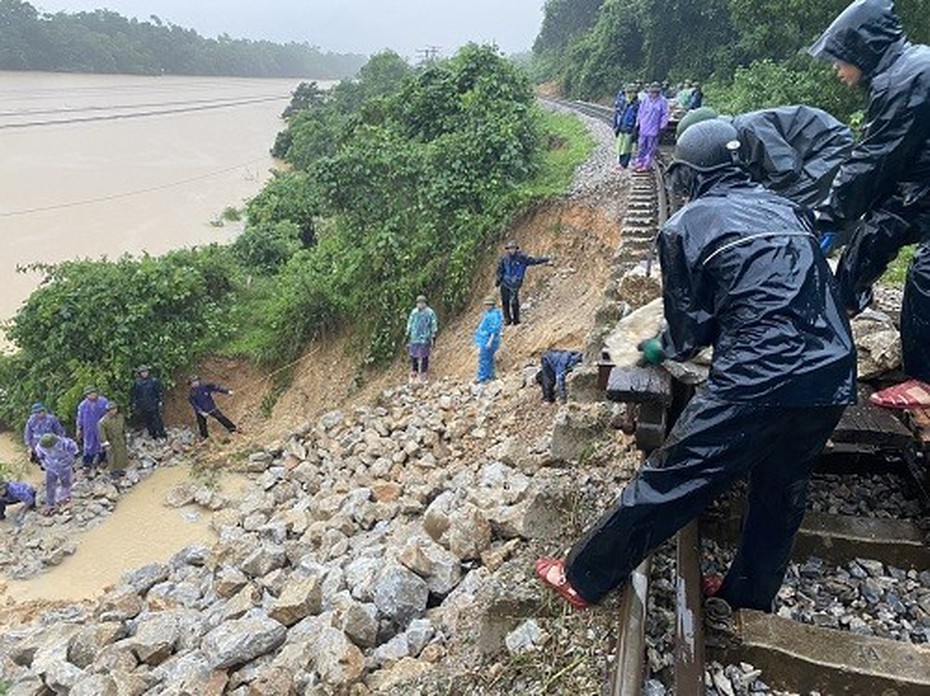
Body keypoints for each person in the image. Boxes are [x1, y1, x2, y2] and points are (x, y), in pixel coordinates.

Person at [536, 120, 856, 612]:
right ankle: (749, 595)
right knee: (782, 488)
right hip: (832, 371)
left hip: (758, 376)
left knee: (676, 475)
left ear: (688, 174)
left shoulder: (684, 226)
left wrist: (655, 349)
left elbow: (688, 333)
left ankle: (583, 575)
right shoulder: (788, 207)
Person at [809, 0, 930, 409]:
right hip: (923, 190)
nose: (837, 71)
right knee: (879, 235)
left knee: (927, 275)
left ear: (862, 50)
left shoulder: (907, 78)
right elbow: (892, 203)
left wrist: (825, 217)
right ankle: (838, 312)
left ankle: (926, 387)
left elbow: (872, 161)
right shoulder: (907, 70)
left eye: (840, 60)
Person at [675, 105, 854, 210]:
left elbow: (786, 170)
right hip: (808, 155)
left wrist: (751, 197)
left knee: (784, 204)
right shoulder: (734, 137)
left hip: (830, 147)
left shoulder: (748, 128)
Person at [495, 241, 552, 326]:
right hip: (505, 282)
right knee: (505, 301)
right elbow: (500, 270)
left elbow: (533, 261)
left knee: (514, 301)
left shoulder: (521, 257)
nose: (512, 250)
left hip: (515, 283)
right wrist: (498, 280)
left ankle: (516, 320)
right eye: (510, 249)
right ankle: (507, 319)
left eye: (513, 248)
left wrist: (545, 259)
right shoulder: (504, 258)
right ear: (508, 250)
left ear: (516, 249)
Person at [35, 433, 79, 515]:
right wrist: (43, 463)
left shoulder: (66, 443)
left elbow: (74, 450)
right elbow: (40, 456)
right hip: (50, 467)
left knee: (66, 483)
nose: (48, 449)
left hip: (64, 467)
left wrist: (70, 458)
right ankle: (50, 504)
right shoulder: (40, 446)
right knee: (50, 485)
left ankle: (64, 499)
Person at [632, 83, 669, 171]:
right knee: (641, 146)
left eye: (655, 92)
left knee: (651, 148)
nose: (653, 94)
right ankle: (639, 163)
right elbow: (640, 112)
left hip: (654, 128)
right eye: (652, 92)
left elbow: (665, 114)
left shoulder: (662, 101)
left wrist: (662, 126)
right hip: (644, 127)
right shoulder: (645, 100)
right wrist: (637, 123)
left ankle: (646, 164)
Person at [406, 295, 439, 384]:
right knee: (413, 355)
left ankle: (424, 373)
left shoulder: (429, 313)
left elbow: (433, 323)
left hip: (425, 338)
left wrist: (433, 334)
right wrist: (408, 332)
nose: (420, 305)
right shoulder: (414, 312)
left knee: (424, 356)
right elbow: (410, 322)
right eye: (418, 303)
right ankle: (414, 371)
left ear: (425, 303)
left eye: (422, 303)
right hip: (414, 337)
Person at [75, 386, 109, 474]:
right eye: (89, 394)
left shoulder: (103, 401)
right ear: (86, 395)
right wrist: (79, 429)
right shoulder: (82, 405)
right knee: (88, 446)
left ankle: (103, 460)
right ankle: (87, 465)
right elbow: (80, 418)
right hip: (88, 429)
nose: (92, 395)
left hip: (101, 428)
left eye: (93, 393)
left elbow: (108, 414)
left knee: (102, 444)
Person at [132, 365, 167, 439]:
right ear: (140, 373)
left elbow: (159, 392)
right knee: (148, 420)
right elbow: (135, 394)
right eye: (142, 372)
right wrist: (135, 404)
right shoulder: (137, 383)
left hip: (153, 404)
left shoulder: (154, 381)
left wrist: (160, 402)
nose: (144, 373)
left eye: (145, 371)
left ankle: (161, 434)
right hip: (143, 405)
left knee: (157, 420)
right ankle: (153, 434)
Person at [475, 297, 504, 384]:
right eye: (486, 305)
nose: (486, 306)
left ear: (492, 305)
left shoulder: (494, 315)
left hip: (488, 340)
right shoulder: (491, 313)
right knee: (489, 359)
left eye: (488, 305)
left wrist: (489, 342)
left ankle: (482, 378)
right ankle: (490, 376)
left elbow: (494, 330)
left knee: (484, 359)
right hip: (485, 339)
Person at [98, 401, 129, 479]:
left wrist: (126, 435)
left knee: (121, 455)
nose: (114, 411)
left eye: (115, 409)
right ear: (107, 411)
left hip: (120, 439)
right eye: (111, 409)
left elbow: (124, 427)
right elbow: (102, 434)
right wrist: (105, 443)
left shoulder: (120, 417)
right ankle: (113, 472)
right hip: (110, 441)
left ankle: (119, 469)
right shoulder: (103, 422)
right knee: (112, 457)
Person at [614, 84, 640, 169]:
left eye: (633, 92)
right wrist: (615, 126)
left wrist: (635, 129)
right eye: (629, 92)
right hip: (621, 127)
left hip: (630, 128)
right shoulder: (622, 102)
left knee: (627, 147)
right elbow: (617, 114)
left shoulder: (637, 104)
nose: (631, 94)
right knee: (620, 145)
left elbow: (638, 118)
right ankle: (620, 162)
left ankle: (624, 164)